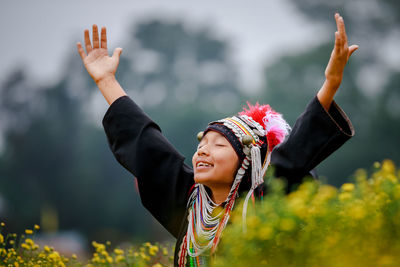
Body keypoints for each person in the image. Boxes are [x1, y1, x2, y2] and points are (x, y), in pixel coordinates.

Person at [77, 13, 358, 267]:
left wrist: (330, 85)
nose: (202, 152)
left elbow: (294, 155)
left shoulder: (263, 201)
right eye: (201, 145)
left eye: (218, 145)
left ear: (248, 160)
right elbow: (148, 146)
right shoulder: (188, 200)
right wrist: (106, 81)